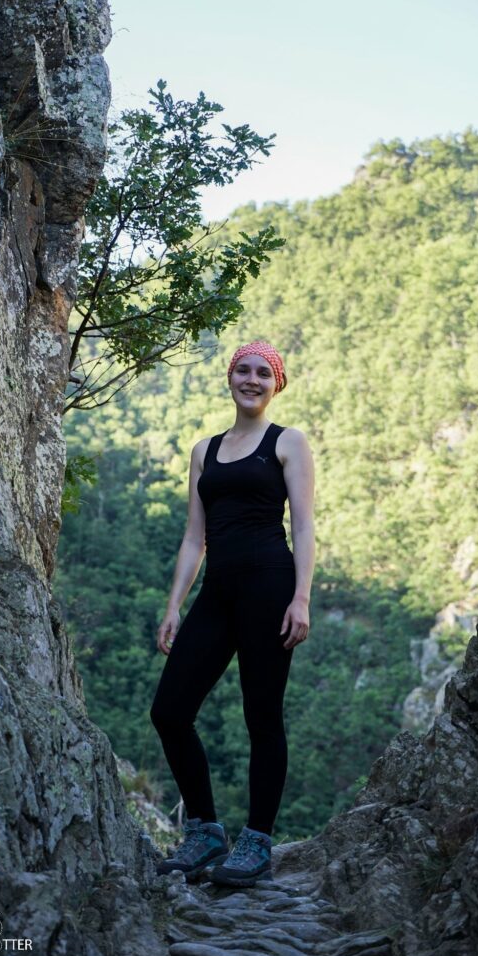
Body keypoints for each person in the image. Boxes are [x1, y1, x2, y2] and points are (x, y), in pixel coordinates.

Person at [150, 339, 315, 887]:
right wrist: (174, 606)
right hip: (217, 592)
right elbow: (194, 537)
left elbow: (307, 526)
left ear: (277, 384)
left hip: (271, 585)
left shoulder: (287, 442)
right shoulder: (206, 450)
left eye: (262, 373)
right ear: (229, 377)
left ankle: (257, 842)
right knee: (170, 711)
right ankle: (204, 832)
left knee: (261, 716)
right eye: (242, 370)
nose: (251, 380)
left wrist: (302, 597)